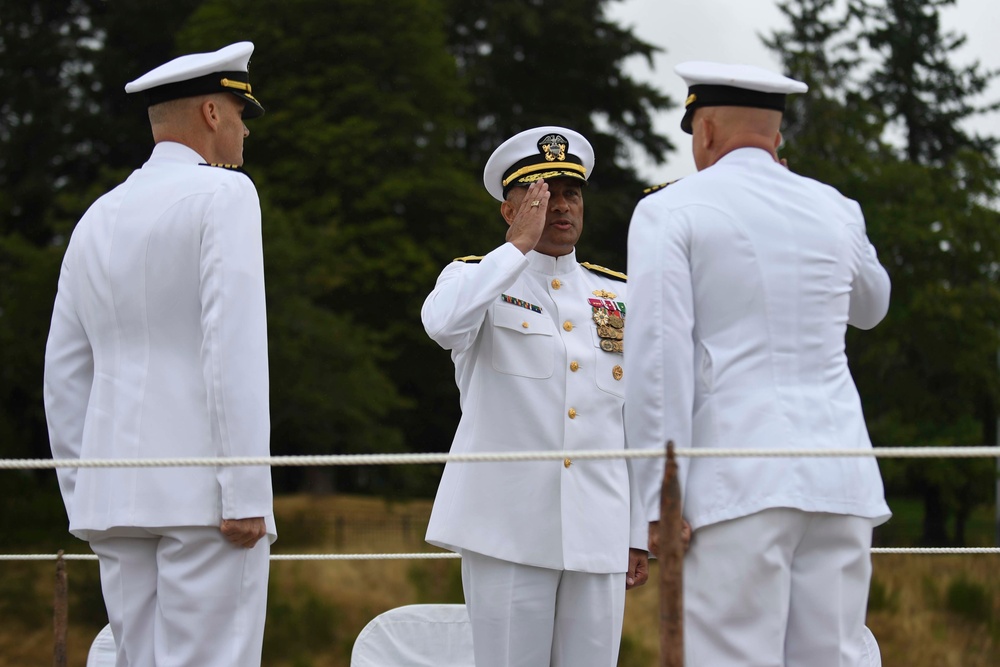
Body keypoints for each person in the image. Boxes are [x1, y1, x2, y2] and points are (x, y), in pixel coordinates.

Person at [624, 61, 892, 667]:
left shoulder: (672, 210)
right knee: (837, 656)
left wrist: (658, 500)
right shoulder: (837, 207)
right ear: (776, 137)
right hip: (842, 476)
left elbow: (658, 364)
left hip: (737, 481)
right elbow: (873, 306)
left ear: (707, 131)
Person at [43, 42, 275, 667]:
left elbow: (64, 370)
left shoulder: (97, 215)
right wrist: (245, 490)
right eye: (239, 111)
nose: (245, 127)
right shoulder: (225, 196)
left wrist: (82, 489)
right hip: (204, 497)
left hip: (113, 497)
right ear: (210, 113)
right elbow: (234, 348)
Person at [422, 126, 649, 667]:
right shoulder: (473, 278)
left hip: (599, 526)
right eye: (541, 194)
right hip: (506, 527)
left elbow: (638, 419)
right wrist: (515, 249)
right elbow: (443, 324)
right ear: (509, 209)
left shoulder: (617, 294)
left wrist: (638, 528)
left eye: (571, 193)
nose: (560, 206)